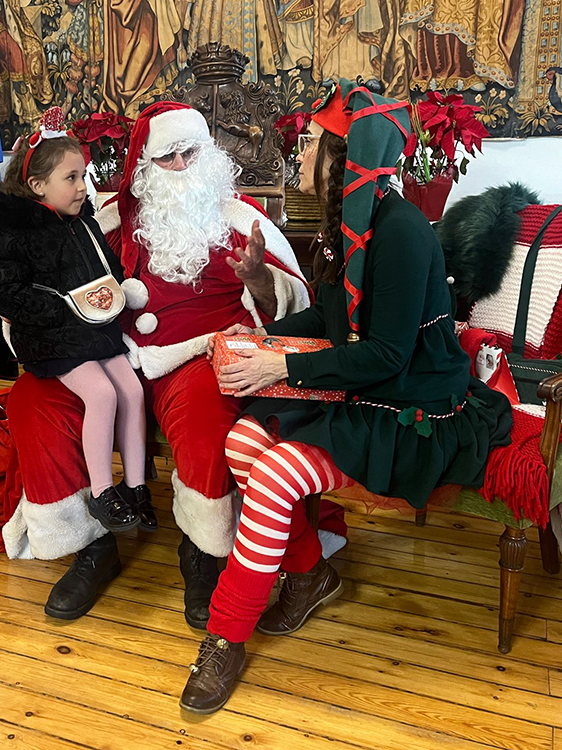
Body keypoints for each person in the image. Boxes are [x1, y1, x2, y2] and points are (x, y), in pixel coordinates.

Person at [179, 80, 513, 714]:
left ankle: (225, 637)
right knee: (241, 441)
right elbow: (332, 319)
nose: (300, 151)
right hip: (363, 387)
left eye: (311, 142)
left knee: (272, 472)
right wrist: (263, 337)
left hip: (410, 406)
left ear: (343, 158)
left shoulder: (401, 232)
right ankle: (310, 574)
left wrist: (281, 366)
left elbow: (386, 354)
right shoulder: (343, 226)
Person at [1, 102, 315, 626]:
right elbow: (40, 280)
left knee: (206, 412)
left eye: (191, 151)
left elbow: (296, 305)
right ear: (145, 165)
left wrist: (260, 279)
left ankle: (203, 550)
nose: (183, 164)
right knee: (33, 400)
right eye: (168, 156)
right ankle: (90, 546)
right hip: (107, 353)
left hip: (195, 354)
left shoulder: (239, 220)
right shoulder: (106, 221)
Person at [0, 107, 156, 554]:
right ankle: (102, 492)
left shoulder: (82, 223)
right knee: (103, 394)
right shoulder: (12, 231)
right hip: (51, 334)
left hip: (93, 326)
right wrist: (60, 307)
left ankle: (136, 487)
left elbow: (107, 269)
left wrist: (112, 291)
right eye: (71, 178)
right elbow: (3, 291)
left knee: (131, 390)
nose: (82, 187)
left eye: (82, 176)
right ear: (38, 185)